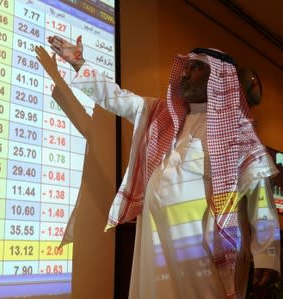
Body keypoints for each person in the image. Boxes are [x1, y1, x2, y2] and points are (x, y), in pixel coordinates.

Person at [35, 36, 281, 299]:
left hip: (201, 253)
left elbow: (260, 199)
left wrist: (268, 255)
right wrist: (78, 64)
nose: (185, 75)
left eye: (196, 68)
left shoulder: (237, 132)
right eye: (185, 68)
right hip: (153, 242)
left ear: (219, 80)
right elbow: (116, 98)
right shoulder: (161, 114)